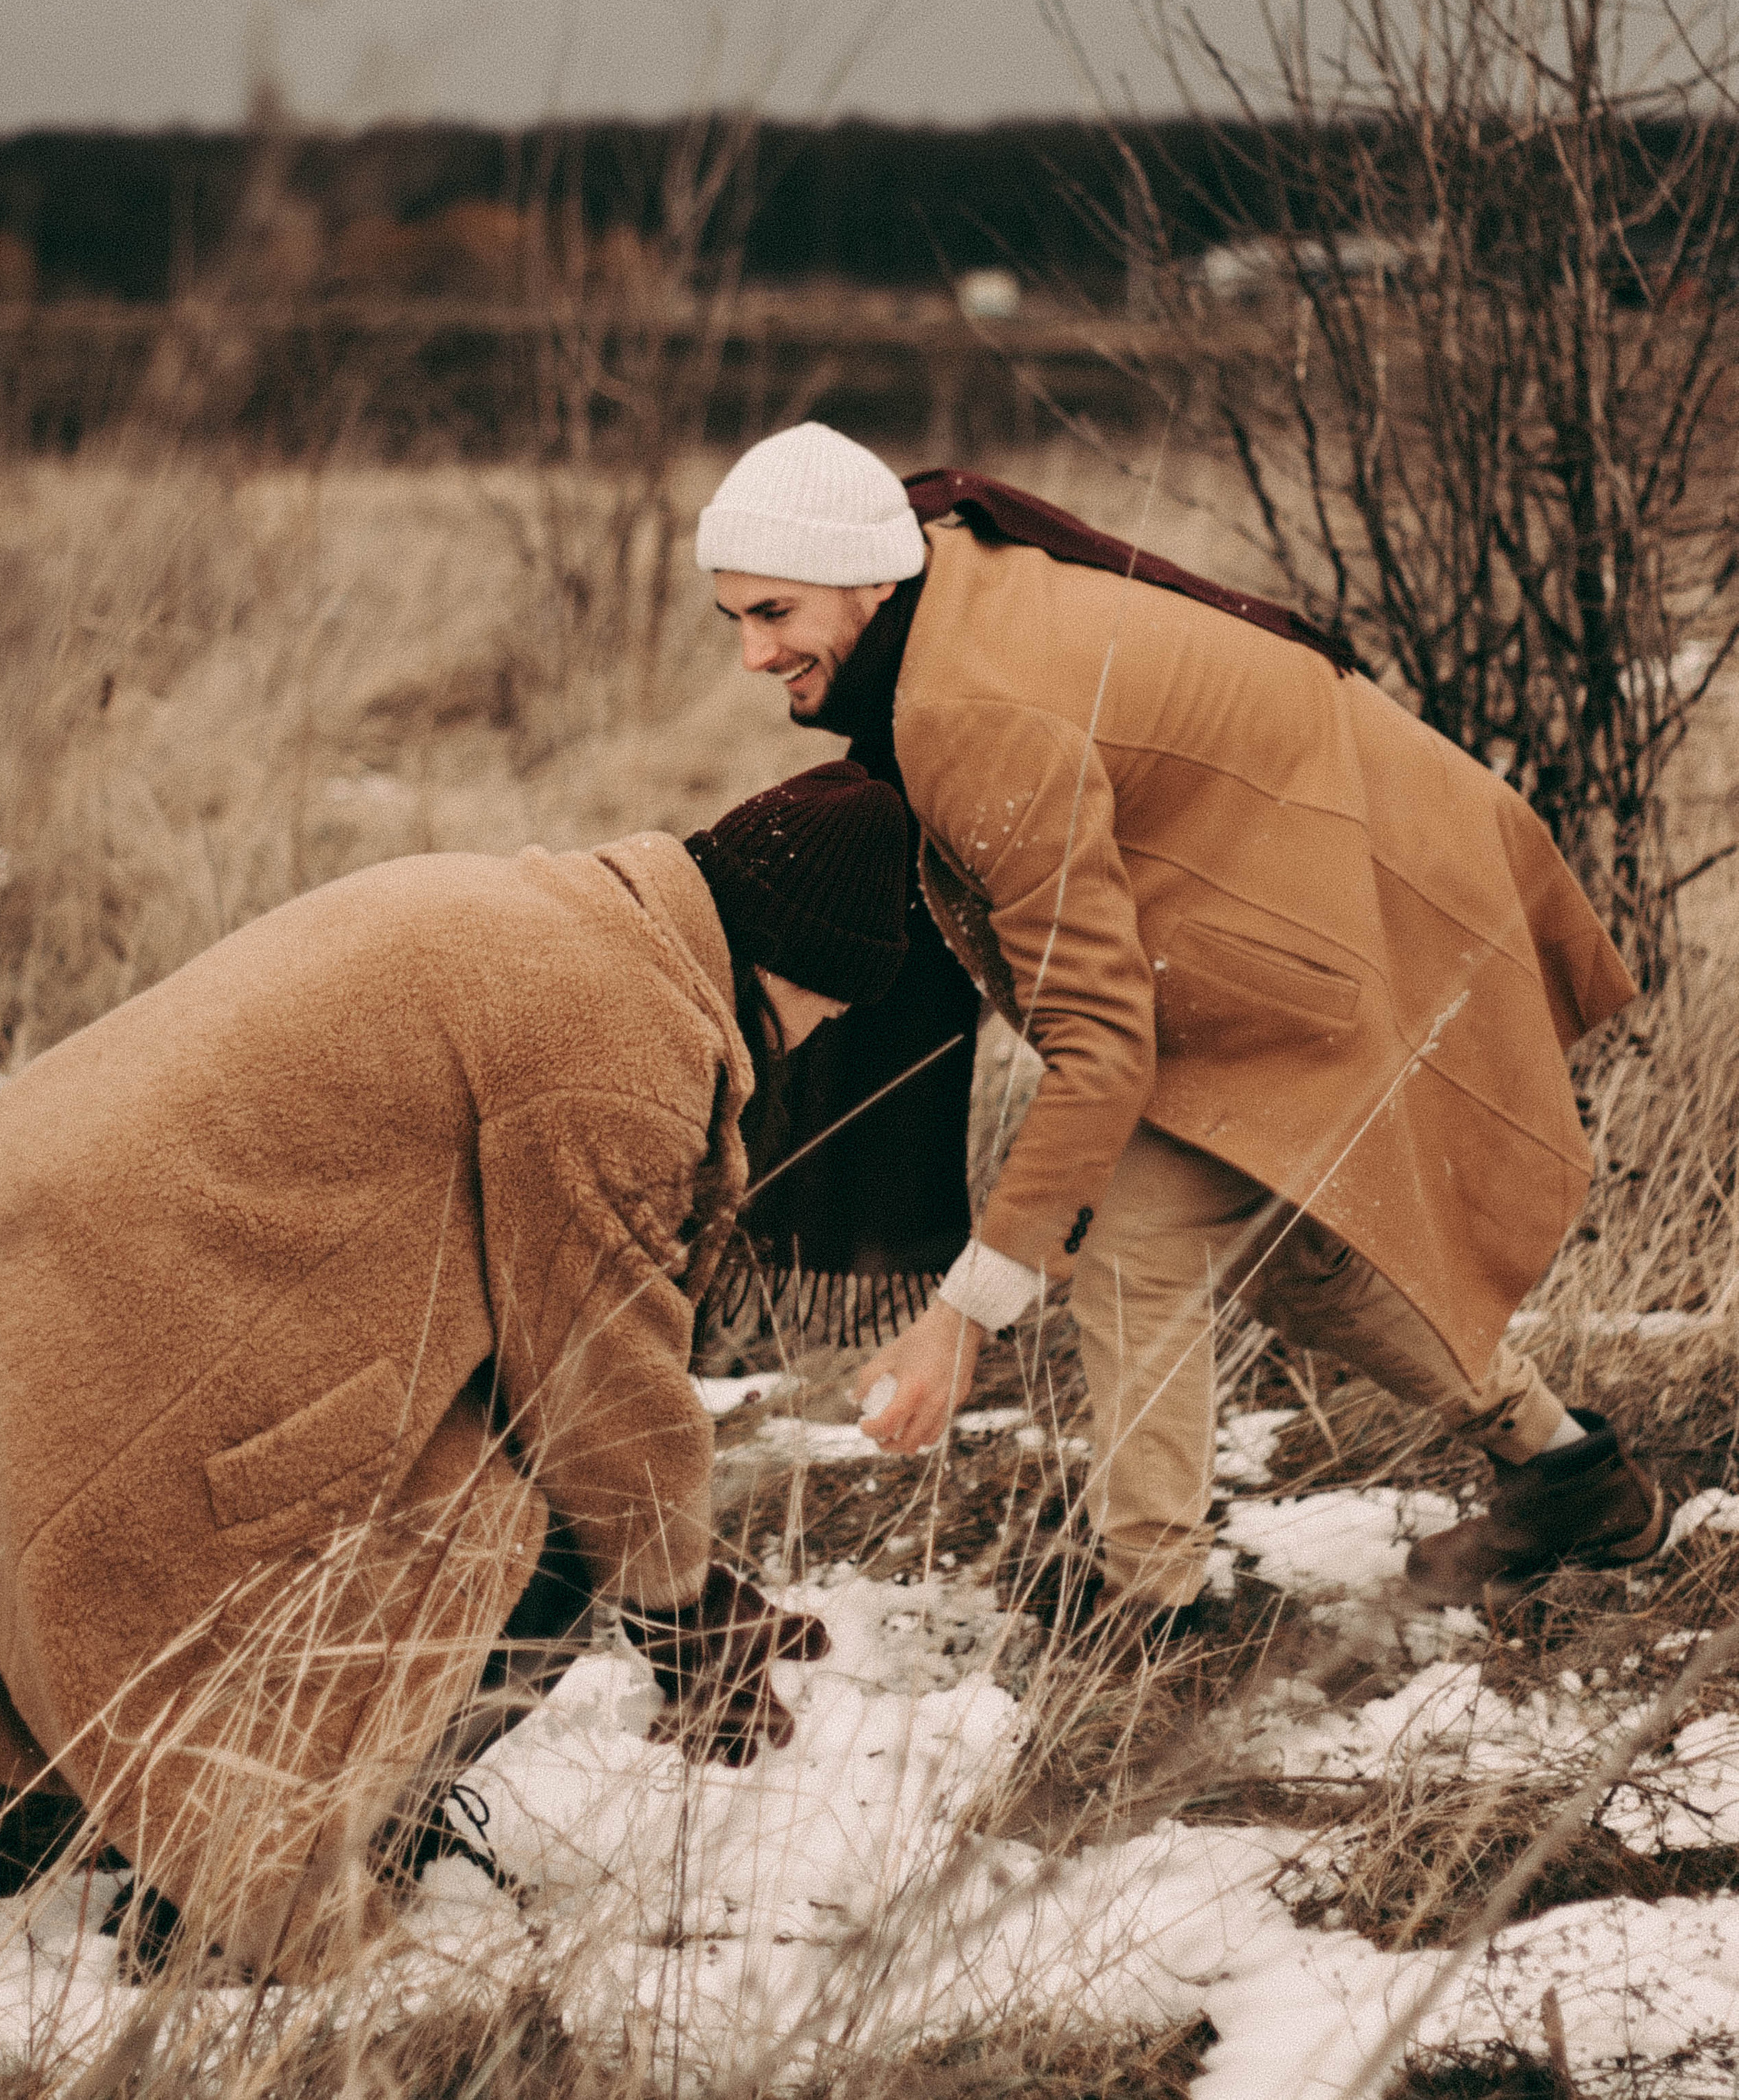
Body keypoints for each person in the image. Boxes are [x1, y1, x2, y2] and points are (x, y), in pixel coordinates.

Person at [0, 760, 909, 1969]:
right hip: (109, 1296)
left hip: (36, 1247)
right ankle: (257, 1879)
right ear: (808, 974)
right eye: (835, 1013)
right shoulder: (620, 1036)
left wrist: (690, 1588)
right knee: (532, 1534)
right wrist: (685, 1611)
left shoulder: (556, 915)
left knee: (507, 1475)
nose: (822, 1039)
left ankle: (211, 1819)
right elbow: (599, 1382)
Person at [697, 423, 1666, 1635]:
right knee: (1297, 1263)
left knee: (1135, 1245)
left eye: (775, 611)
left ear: (868, 576)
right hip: (1311, 880)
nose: (753, 652)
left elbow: (1103, 1041)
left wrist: (964, 1314)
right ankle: (1568, 1476)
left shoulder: (970, 709)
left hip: (1337, 908)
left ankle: (1149, 1601)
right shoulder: (947, 582)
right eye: (734, 615)